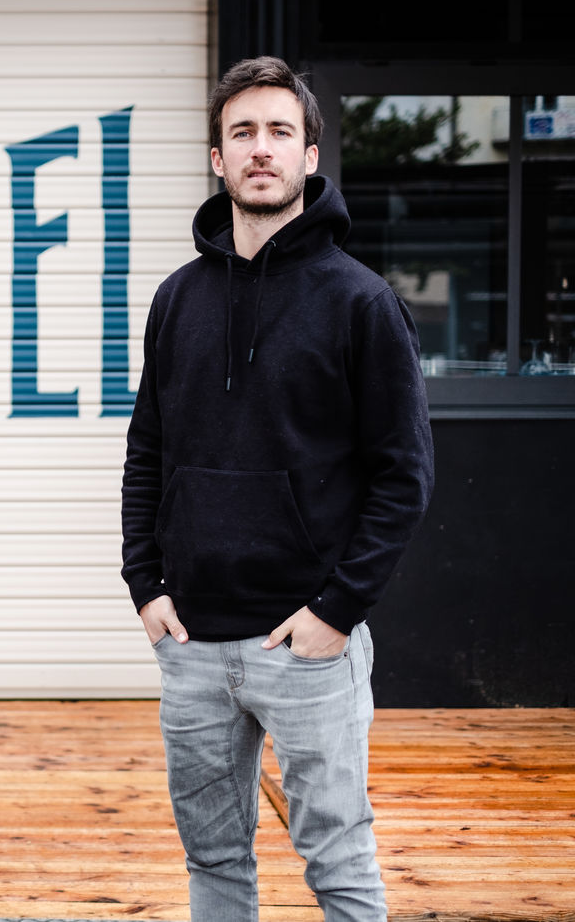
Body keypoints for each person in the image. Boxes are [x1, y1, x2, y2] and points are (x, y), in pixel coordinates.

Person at [120, 57, 434, 921]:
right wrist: (145, 583)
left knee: (338, 861)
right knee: (213, 859)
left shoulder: (361, 302)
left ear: (309, 155)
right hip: (192, 642)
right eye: (243, 132)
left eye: (280, 131)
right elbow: (147, 452)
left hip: (306, 645)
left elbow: (405, 475)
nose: (261, 148)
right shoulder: (176, 300)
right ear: (217, 158)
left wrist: (337, 610)